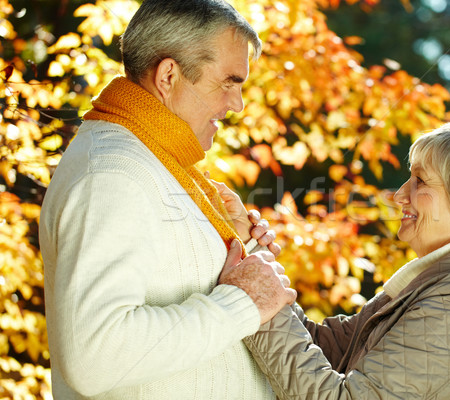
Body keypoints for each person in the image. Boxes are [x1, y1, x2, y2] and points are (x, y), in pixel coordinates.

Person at [39, 0, 296, 398]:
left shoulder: (156, 164)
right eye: (228, 81)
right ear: (169, 76)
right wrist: (244, 302)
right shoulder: (112, 174)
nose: (237, 103)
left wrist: (232, 243)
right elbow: (95, 356)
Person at [243, 118, 450, 399]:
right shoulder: (438, 283)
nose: (399, 195)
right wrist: (252, 250)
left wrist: (262, 298)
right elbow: (326, 349)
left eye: (420, 181)